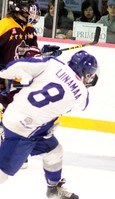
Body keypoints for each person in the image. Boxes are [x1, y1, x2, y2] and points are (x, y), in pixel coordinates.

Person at [0, 50, 100, 199]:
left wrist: (6, 76)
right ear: (86, 74)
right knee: (2, 173)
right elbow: (58, 106)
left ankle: (53, 190)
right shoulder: (83, 96)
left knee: (54, 151)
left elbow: (17, 66)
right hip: (25, 129)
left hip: (13, 114)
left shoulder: (52, 63)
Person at [0, 0, 61, 168]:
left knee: (16, 113)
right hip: (3, 77)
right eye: (29, 10)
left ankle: (12, 149)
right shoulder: (5, 25)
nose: (32, 13)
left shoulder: (30, 30)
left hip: (17, 80)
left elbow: (31, 55)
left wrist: (45, 53)